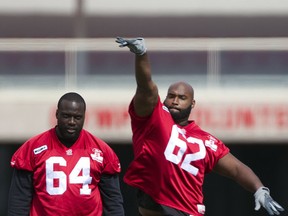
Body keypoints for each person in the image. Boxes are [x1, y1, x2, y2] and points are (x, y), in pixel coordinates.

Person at [115, 37, 285, 216]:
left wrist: (259, 189)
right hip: (158, 205)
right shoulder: (153, 118)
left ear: (192, 103)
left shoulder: (205, 140)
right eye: (171, 96)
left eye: (182, 98)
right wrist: (142, 55)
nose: (174, 101)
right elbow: (146, 88)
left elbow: (236, 168)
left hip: (190, 211)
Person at [7, 92, 125, 216]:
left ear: (84, 116)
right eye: (66, 116)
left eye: (77, 117)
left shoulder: (101, 151)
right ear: (57, 114)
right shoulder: (32, 148)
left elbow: (113, 202)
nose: (72, 122)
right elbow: (19, 200)